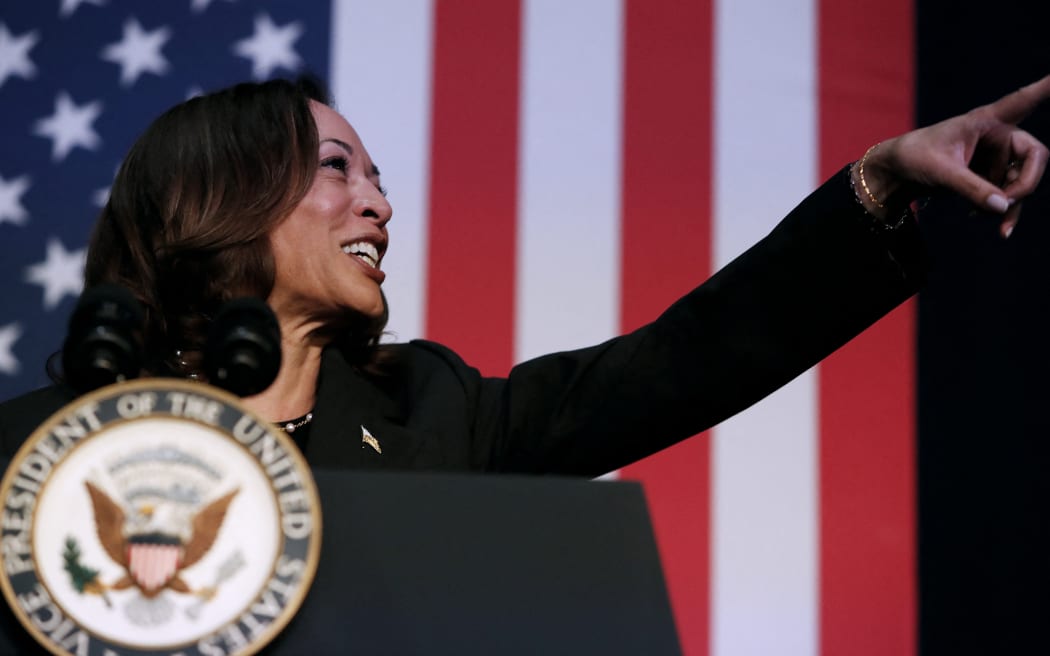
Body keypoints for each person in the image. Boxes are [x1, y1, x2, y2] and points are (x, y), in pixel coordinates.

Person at [0, 75, 1048, 475]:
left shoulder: (442, 414)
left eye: (379, 175)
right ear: (222, 192)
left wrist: (873, 184)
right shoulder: (40, 450)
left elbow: (687, 358)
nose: (380, 203)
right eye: (336, 168)